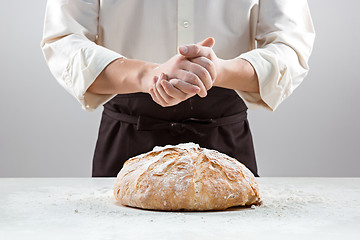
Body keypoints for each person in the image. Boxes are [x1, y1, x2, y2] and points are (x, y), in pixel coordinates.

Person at [41, 0, 315, 177]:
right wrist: (147, 74)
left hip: (224, 140)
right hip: (127, 137)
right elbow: (63, 39)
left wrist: (217, 70)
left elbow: (291, 46)